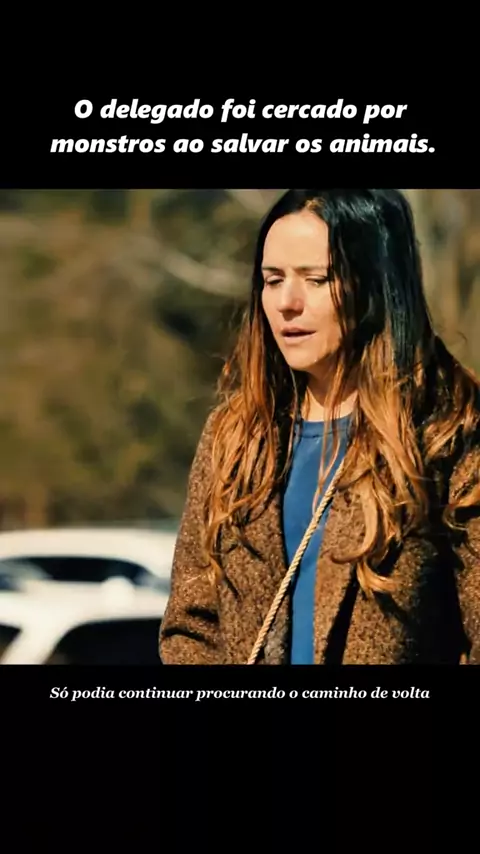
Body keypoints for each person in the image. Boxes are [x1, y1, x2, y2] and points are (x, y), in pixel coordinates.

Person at [158, 189, 480, 665]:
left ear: (375, 284)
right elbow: (192, 624)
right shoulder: (236, 437)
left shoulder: (447, 431)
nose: (287, 303)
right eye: (273, 280)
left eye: (316, 279)